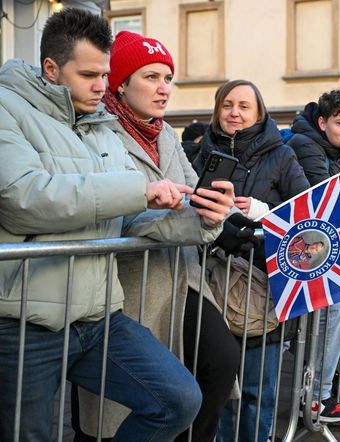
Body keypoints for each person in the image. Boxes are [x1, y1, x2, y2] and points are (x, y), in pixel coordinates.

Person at [0, 9, 208, 441]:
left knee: (178, 398)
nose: (102, 85)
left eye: (106, 74)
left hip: (98, 316)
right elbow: (24, 198)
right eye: (89, 74)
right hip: (25, 322)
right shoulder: (7, 110)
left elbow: (131, 219)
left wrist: (200, 218)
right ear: (51, 68)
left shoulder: (100, 126)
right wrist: (138, 189)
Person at [73, 31, 244, 442]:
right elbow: (119, 212)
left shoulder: (164, 132)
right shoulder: (97, 132)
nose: (164, 88)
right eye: (151, 77)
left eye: (168, 78)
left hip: (181, 278)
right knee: (118, 406)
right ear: (121, 82)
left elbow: (190, 188)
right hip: (127, 286)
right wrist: (191, 215)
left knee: (218, 362)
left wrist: (220, 210)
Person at [193, 79, 311, 442]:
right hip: (211, 282)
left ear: (260, 112)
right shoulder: (201, 154)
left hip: (263, 284)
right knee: (221, 389)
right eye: (227, 104)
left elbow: (309, 218)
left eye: (244, 105)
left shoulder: (282, 154)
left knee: (259, 390)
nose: (234, 112)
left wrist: (264, 213)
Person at [288, 88, 340, 423]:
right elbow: (324, 197)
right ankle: (314, 397)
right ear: (322, 122)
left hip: (313, 245)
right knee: (318, 317)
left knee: (328, 313)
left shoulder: (333, 150)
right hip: (300, 247)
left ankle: (316, 394)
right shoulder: (306, 145)